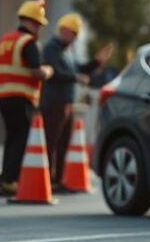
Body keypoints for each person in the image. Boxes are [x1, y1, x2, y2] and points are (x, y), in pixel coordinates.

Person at [41, 13, 113, 192]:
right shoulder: (51, 48)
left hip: (66, 103)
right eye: (72, 34)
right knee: (52, 142)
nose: (73, 38)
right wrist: (76, 78)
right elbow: (55, 73)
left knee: (64, 142)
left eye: (75, 35)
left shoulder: (67, 50)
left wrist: (96, 62)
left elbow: (78, 68)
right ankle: (48, 179)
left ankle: (58, 180)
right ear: (64, 30)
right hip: (54, 103)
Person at [0, 0, 54, 198]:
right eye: (38, 24)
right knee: (21, 139)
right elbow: (36, 72)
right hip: (21, 97)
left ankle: (5, 178)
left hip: (3, 96)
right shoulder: (28, 43)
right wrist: (48, 70)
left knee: (12, 138)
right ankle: (9, 180)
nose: (39, 29)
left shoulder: (6, 39)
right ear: (32, 22)